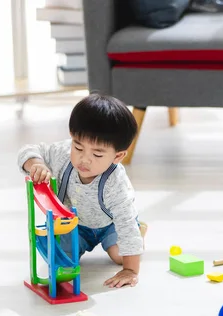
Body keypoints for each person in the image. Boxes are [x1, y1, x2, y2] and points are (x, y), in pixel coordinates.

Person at [17, 93, 146, 288]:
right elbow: (28, 150)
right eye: (78, 147)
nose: (84, 159)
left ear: (117, 156)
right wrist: (36, 164)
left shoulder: (116, 184)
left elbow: (125, 224)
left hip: (109, 224)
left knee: (120, 256)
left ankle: (140, 231)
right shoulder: (62, 153)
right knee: (62, 262)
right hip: (74, 225)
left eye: (97, 154)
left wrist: (130, 270)